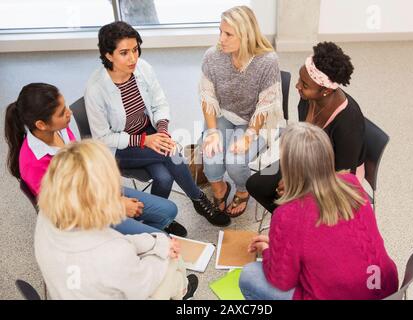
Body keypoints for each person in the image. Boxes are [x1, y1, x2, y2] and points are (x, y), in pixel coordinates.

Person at [85, 21, 230, 227]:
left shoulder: (142, 68)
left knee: (164, 178)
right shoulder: (96, 89)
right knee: (171, 152)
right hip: (118, 148)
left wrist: (160, 132)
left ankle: (157, 220)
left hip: (148, 134)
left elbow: (160, 103)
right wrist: (146, 140)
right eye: (124, 53)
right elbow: (102, 138)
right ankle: (198, 199)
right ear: (108, 55)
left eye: (135, 50)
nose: (133, 58)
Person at [239, 123, 398, 300]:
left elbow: (281, 280)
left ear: (288, 168)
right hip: (386, 289)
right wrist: (279, 245)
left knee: (249, 275)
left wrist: (268, 251)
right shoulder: (351, 183)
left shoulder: (287, 215)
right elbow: (324, 242)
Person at [4, 83, 184, 236]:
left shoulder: (59, 130)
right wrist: (115, 207)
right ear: (41, 125)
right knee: (161, 240)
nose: (70, 113)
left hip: (98, 191)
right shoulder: (32, 163)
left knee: (169, 211)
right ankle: (129, 247)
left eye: (65, 106)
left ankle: (131, 244)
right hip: (84, 215)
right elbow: (64, 213)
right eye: (61, 113)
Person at [34, 139, 198, 299]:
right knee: (172, 262)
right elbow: (144, 281)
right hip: (128, 285)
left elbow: (117, 246)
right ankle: (182, 293)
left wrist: (156, 242)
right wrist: (162, 247)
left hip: (68, 291)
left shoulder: (46, 215)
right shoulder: (113, 252)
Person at [247, 41, 366, 213]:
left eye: (304, 85)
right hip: (308, 159)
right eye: (299, 80)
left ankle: (297, 221)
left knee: (294, 203)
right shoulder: (308, 99)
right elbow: (305, 139)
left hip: (334, 178)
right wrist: (293, 177)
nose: (297, 87)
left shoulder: (348, 122)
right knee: (256, 185)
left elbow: (343, 175)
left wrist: (300, 185)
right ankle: (291, 219)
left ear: (325, 90)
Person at [200, 6, 283, 217]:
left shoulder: (267, 61)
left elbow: (266, 105)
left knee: (236, 163)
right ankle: (220, 188)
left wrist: (248, 136)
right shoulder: (212, 56)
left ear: (246, 35)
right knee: (211, 157)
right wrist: (212, 132)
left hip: (255, 120)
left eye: (228, 34)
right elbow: (207, 96)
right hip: (224, 113)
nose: (221, 39)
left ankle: (243, 190)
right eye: (220, 31)